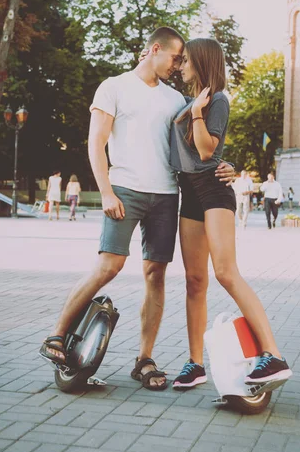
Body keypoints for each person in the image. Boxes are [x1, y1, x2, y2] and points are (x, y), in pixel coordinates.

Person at [39, 27, 235, 390]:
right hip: (125, 191)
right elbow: (96, 143)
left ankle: (144, 359)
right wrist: (107, 191)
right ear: (154, 49)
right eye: (175, 57)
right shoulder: (113, 87)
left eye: (183, 61)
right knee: (108, 266)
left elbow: (200, 144)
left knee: (155, 275)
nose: (179, 66)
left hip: (166, 195)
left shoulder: (176, 100)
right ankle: (56, 334)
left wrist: (229, 164)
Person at [170, 38, 292, 390]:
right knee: (195, 281)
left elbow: (207, 151)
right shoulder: (190, 100)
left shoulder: (216, 99)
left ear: (203, 62)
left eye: (187, 61)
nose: (182, 66)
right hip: (188, 193)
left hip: (212, 189)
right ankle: (195, 364)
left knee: (225, 272)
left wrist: (196, 113)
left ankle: (272, 354)